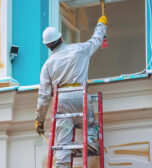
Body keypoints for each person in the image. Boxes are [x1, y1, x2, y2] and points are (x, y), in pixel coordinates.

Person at [34, 15, 107, 168]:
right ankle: (91, 140)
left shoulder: (47, 65)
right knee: (90, 125)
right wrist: (101, 24)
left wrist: (39, 120)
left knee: (63, 141)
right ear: (61, 38)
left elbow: (44, 96)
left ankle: (62, 164)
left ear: (47, 46)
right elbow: (97, 39)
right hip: (79, 96)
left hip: (61, 103)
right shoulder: (80, 49)